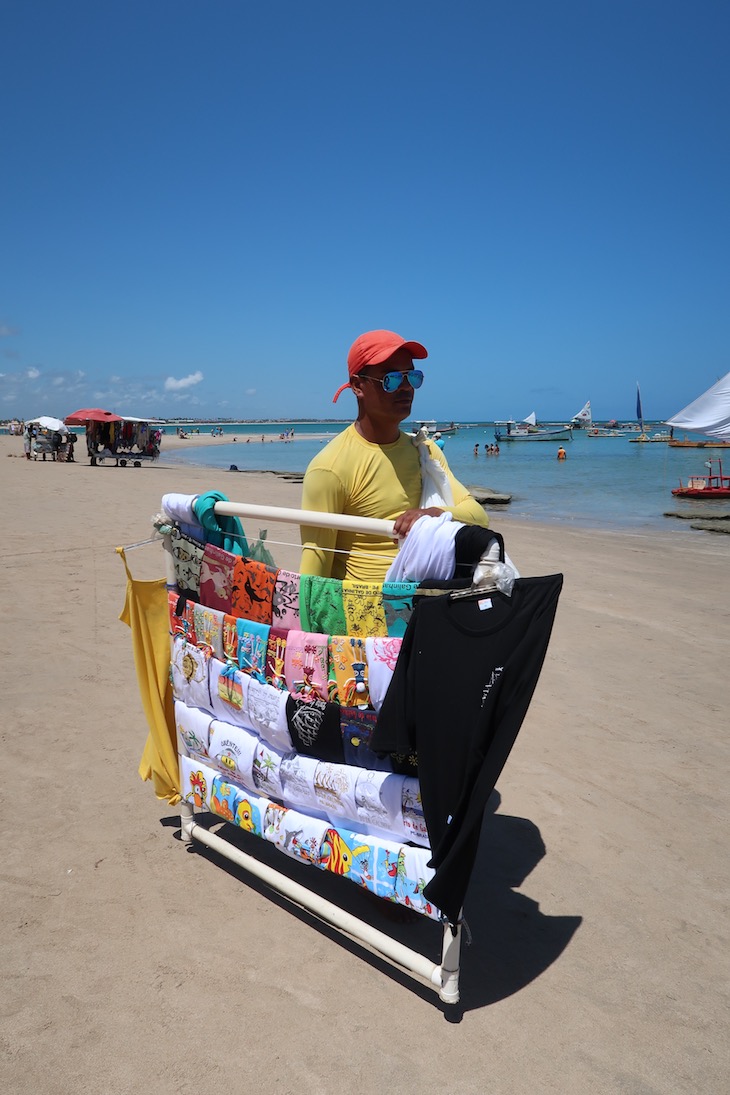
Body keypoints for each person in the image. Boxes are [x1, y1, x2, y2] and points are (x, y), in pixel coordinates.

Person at [300, 329, 489, 581]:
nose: (406, 388)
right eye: (391, 379)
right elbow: (314, 575)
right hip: (363, 610)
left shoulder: (425, 451)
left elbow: (478, 516)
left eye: (412, 377)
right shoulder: (330, 468)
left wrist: (430, 515)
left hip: (425, 604)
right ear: (358, 386)